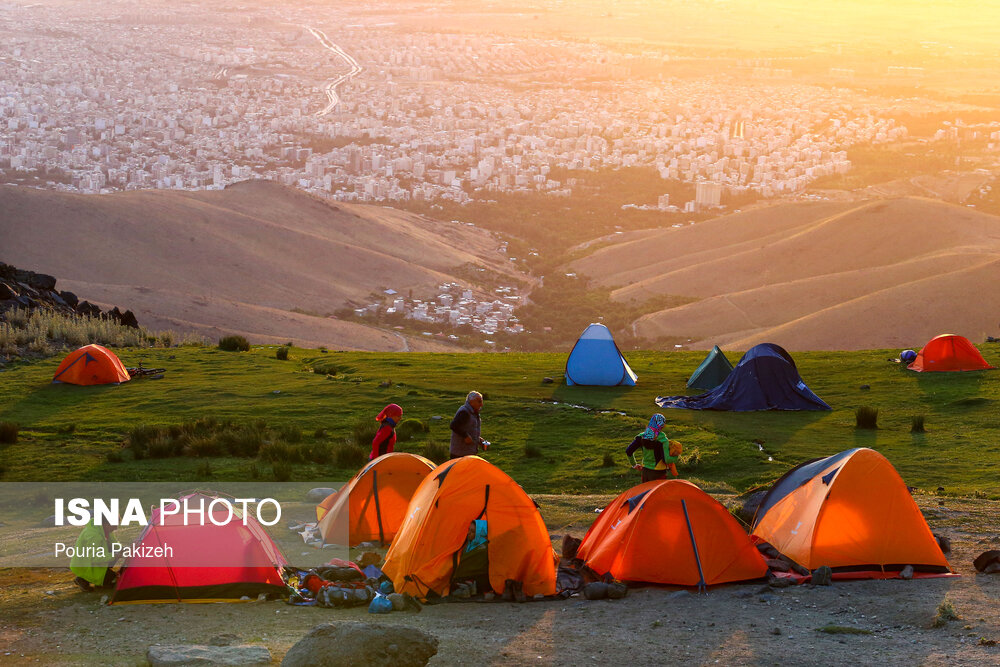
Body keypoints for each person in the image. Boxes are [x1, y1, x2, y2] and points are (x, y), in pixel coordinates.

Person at [625, 413, 680, 483]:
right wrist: (676, 456)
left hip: (645, 472)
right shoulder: (663, 440)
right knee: (658, 494)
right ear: (662, 426)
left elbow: (629, 451)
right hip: (659, 473)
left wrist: (634, 464)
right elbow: (667, 460)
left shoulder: (641, 436)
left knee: (647, 493)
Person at [70, 521, 118, 592]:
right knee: (112, 579)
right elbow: (95, 557)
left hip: (91, 563)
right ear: (106, 523)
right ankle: (83, 578)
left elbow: (115, 545)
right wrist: (115, 555)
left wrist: (124, 550)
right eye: (114, 524)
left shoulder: (105, 530)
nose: (116, 528)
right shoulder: (93, 535)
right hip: (85, 566)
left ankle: (89, 578)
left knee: (114, 551)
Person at [449, 391, 487, 459]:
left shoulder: (473, 412)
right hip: (460, 453)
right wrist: (465, 436)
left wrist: (478, 439)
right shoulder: (464, 412)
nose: (481, 404)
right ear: (471, 402)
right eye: (479, 402)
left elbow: (470, 429)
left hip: (468, 452)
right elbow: (454, 425)